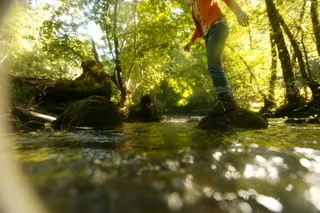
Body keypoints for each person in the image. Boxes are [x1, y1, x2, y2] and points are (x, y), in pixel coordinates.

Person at [184, 0, 249, 114]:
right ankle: (224, 100)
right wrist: (190, 42)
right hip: (208, 33)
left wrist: (238, 11)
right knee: (212, 65)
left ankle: (226, 101)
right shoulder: (194, 9)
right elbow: (199, 28)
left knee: (214, 64)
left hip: (218, 26)